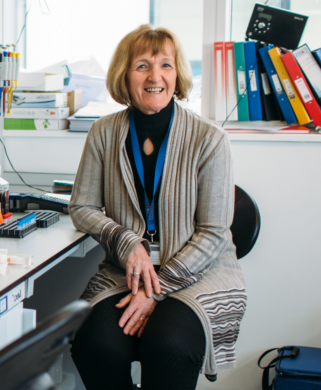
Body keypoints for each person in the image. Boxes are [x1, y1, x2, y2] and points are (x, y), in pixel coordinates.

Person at [68, 25, 246, 389]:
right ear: (124, 75)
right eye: (142, 66)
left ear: (177, 74)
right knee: (94, 346)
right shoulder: (103, 132)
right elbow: (82, 206)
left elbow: (213, 234)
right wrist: (126, 240)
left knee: (169, 347)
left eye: (166, 65)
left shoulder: (210, 139)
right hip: (126, 273)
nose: (155, 77)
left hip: (199, 273)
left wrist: (156, 288)